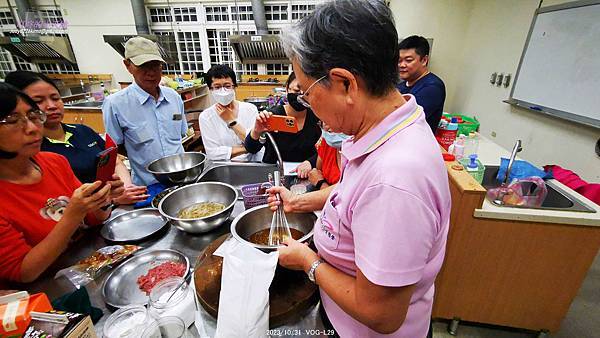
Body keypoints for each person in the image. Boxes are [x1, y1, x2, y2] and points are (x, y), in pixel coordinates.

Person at [269, 1, 451, 337]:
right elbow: (355, 195)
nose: (310, 107)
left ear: (345, 84)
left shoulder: (396, 178)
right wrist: (300, 202)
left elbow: (380, 313)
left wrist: (308, 262)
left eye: (308, 94)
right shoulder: (388, 126)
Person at [0, 83, 124, 285]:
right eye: (13, 120)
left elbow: (95, 218)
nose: (32, 128)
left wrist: (104, 197)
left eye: (33, 116)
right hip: (49, 290)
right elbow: (24, 271)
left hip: (90, 268)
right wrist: (72, 214)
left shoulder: (54, 162)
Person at [4, 71, 148, 205]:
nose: (51, 106)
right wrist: (111, 200)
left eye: (55, 98)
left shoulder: (82, 131)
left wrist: (126, 188)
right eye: (38, 101)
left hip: (107, 210)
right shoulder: (30, 152)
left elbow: (114, 161)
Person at [103, 36, 188, 186]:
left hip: (182, 179)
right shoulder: (115, 104)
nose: (151, 73)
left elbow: (181, 134)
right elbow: (115, 149)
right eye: (143, 66)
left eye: (156, 65)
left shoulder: (173, 97)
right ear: (128, 65)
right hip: (147, 185)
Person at [245, 72, 321, 178]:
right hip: (274, 175)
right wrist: (257, 131)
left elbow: (327, 149)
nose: (301, 96)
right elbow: (251, 149)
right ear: (287, 89)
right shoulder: (273, 115)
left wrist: (310, 162)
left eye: (306, 92)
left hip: (307, 175)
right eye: (296, 90)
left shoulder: (317, 116)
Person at [199, 64, 261, 161]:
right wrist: (247, 148)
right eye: (217, 87)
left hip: (252, 164)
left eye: (227, 86)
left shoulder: (250, 109)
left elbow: (256, 141)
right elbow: (213, 153)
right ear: (211, 89)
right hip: (224, 166)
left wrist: (231, 121)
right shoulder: (206, 116)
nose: (223, 91)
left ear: (234, 86)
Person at [397, 35, 446, 133]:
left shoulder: (432, 87)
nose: (401, 65)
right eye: (399, 60)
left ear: (424, 60)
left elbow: (403, 121)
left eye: (408, 60)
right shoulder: (401, 86)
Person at [307, 126, 347, 190]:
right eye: (322, 121)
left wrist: (320, 184)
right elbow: (318, 172)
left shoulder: (361, 157)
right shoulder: (328, 140)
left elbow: (343, 198)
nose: (326, 127)